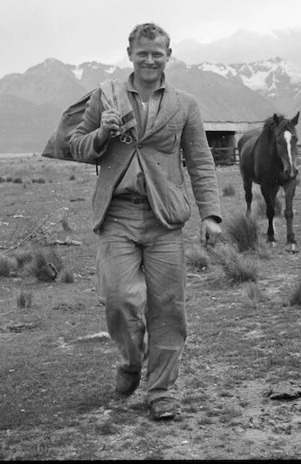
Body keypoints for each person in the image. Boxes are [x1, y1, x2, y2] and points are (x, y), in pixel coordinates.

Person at [70, 22, 222, 421]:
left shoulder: (184, 104)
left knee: (168, 307)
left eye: (158, 53)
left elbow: (201, 161)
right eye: (143, 53)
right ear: (130, 55)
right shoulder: (106, 97)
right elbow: (78, 146)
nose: (150, 59)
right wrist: (101, 133)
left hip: (164, 216)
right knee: (119, 300)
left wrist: (211, 215)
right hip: (117, 213)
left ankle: (161, 391)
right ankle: (131, 361)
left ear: (168, 56)